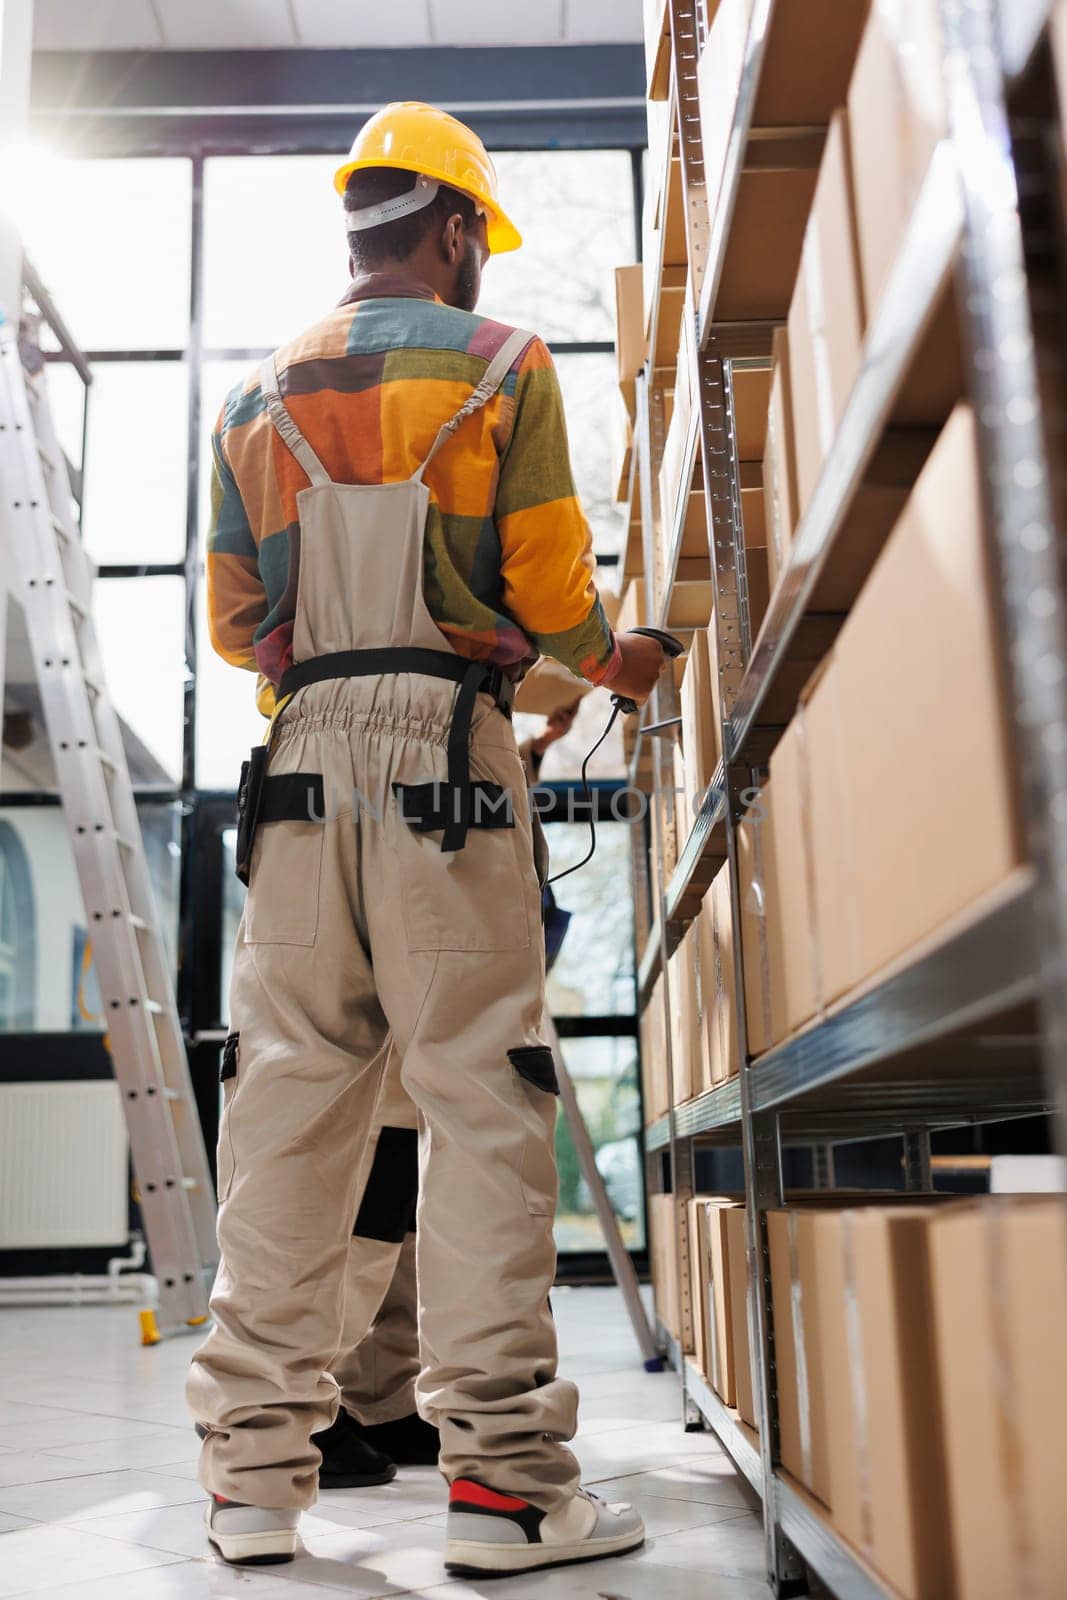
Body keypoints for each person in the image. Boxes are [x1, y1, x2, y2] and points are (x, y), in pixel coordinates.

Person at [188, 99, 666, 1576]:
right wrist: (610, 665)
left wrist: (349, 669)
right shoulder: (503, 362)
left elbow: (230, 628)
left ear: (360, 221)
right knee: (475, 1103)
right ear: (453, 227)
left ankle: (253, 1488)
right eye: (477, 238)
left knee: (289, 1109)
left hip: (296, 770)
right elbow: (550, 590)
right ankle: (507, 1489)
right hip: (445, 770)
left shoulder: (256, 393)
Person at [313, 692, 583, 1491]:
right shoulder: (391, 703)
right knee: (372, 1192)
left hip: (431, 905)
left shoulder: (468, 727)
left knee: (397, 1218)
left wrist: (533, 742)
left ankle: (379, 1397)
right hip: (401, 923)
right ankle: (313, 1402)